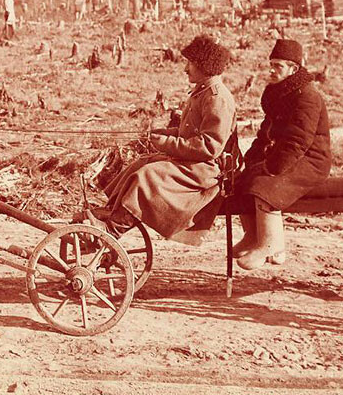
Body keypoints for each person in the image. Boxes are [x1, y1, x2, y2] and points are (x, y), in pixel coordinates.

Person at [87, 34, 236, 242]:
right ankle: (112, 212)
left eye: (190, 63)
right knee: (141, 163)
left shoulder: (216, 98)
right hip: (191, 163)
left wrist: (166, 144)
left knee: (148, 175)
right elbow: (189, 133)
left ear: (204, 65)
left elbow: (209, 147)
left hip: (203, 170)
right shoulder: (202, 92)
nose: (185, 69)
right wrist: (162, 134)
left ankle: (114, 229)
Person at [233, 38, 332, 269]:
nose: (271, 69)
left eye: (278, 66)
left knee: (265, 186)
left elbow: (299, 140)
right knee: (244, 179)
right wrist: (253, 159)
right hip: (290, 155)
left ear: (293, 69)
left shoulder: (307, 96)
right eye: (272, 64)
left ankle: (271, 245)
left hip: (311, 160)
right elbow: (266, 132)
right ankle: (253, 237)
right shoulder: (280, 94)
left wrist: (272, 168)